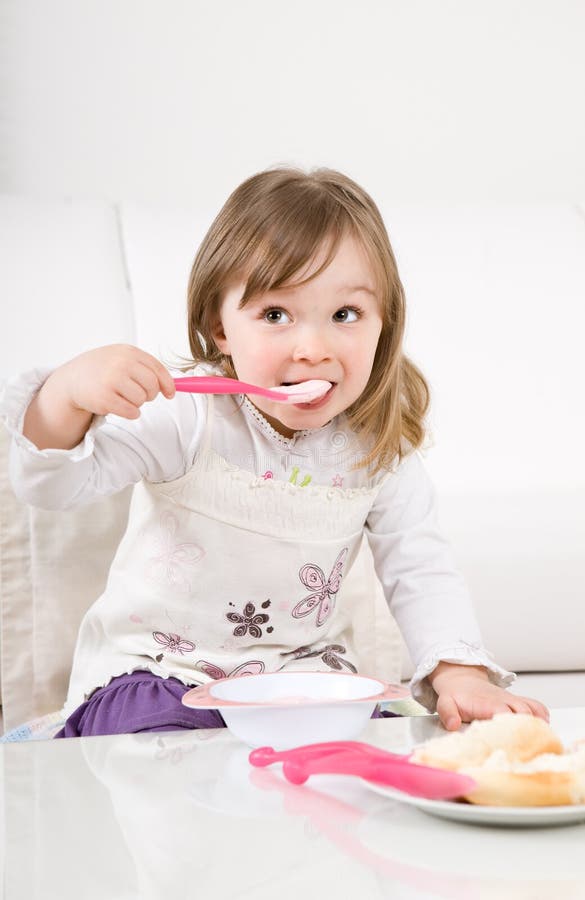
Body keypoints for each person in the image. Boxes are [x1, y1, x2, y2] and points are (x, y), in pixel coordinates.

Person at [2, 167, 547, 737]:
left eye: (345, 315)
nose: (312, 349)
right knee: (161, 747)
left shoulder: (380, 451)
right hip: (162, 673)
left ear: (383, 324)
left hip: (300, 678)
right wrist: (65, 397)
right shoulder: (189, 419)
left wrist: (460, 672)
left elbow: (420, 567)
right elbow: (50, 489)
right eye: (275, 315)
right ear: (220, 328)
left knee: (381, 745)